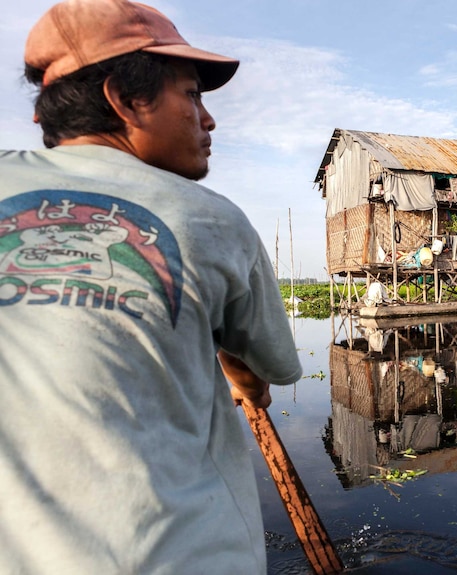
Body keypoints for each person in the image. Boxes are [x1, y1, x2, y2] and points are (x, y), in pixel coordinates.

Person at [0, 1, 302, 573]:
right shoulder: (214, 219)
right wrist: (246, 376)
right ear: (125, 98)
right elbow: (272, 368)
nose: (208, 119)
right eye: (192, 94)